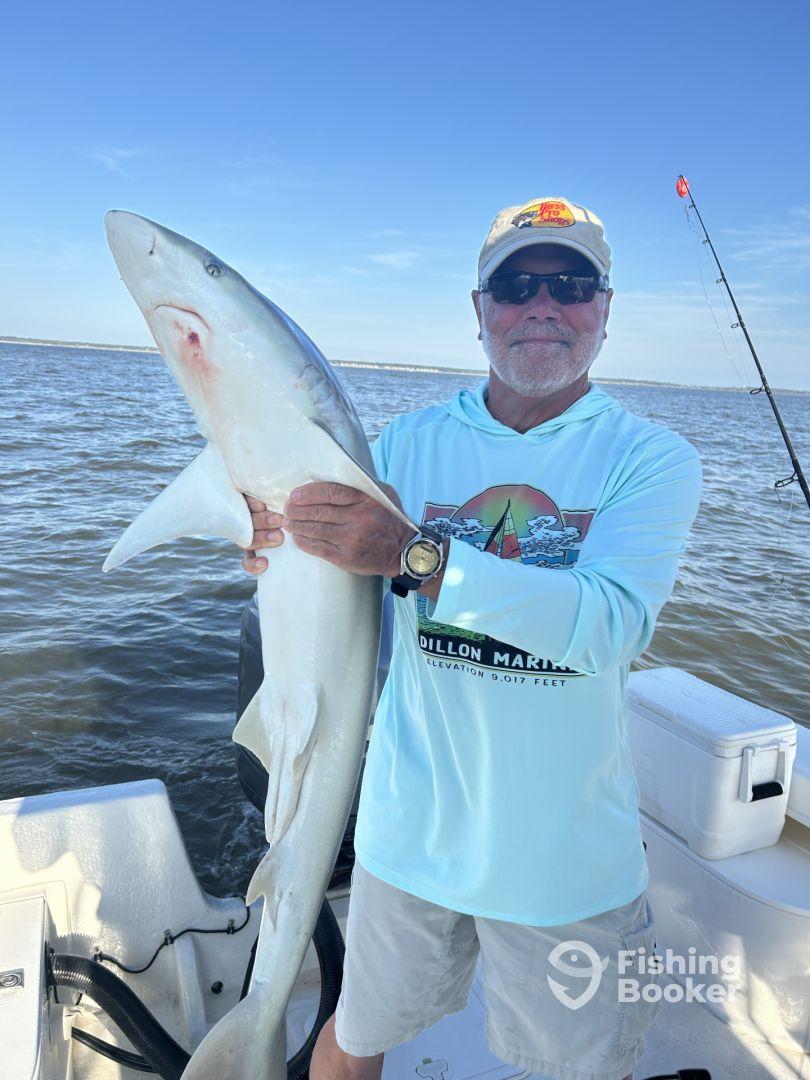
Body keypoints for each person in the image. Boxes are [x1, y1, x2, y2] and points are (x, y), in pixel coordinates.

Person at [241, 197, 703, 1080]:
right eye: (515, 284)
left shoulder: (651, 458)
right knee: (351, 1041)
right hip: (407, 842)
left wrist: (415, 555)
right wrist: (273, 537)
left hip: (567, 863)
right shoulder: (404, 445)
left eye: (570, 284)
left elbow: (607, 624)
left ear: (606, 310)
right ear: (479, 308)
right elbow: (326, 575)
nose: (542, 305)